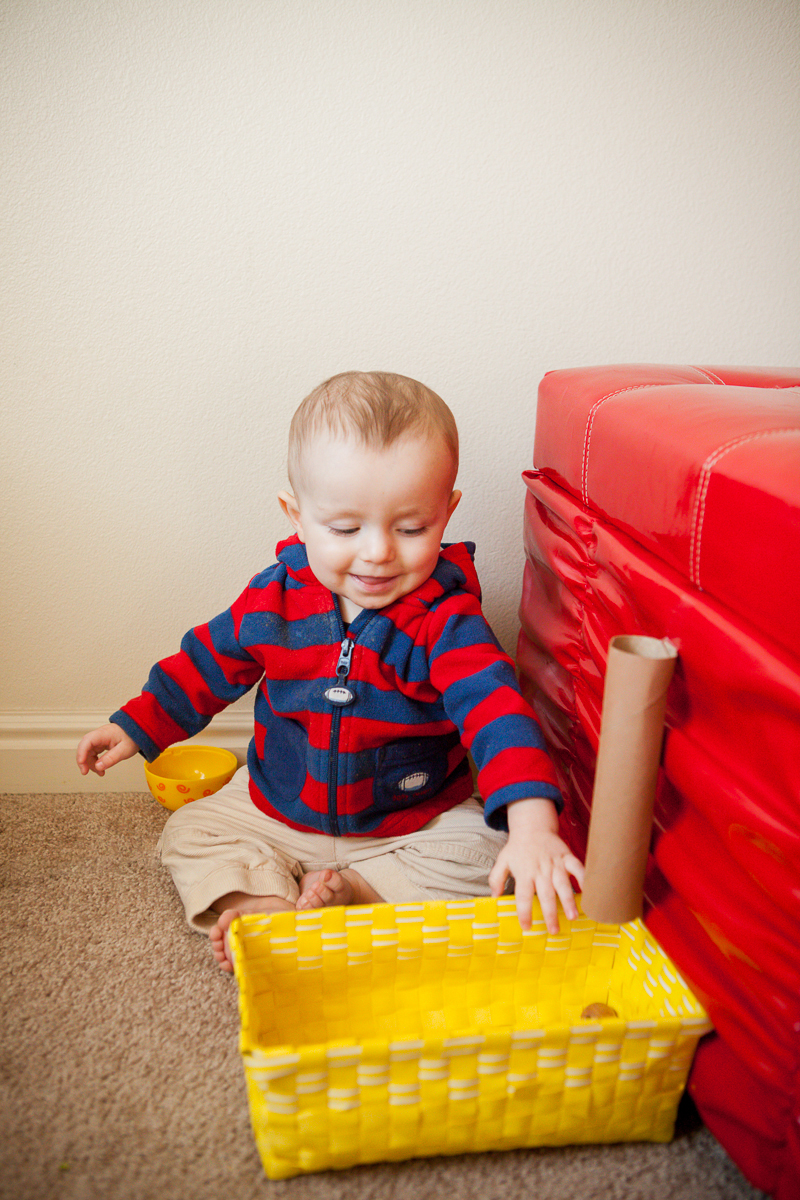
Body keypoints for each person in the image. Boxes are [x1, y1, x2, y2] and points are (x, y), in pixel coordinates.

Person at [77, 371, 584, 972]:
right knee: (190, 831)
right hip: (279, 807)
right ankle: (264, 901)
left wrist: (531, 824)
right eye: (346, 529)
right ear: (297, 515)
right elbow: (204, 666)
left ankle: (361, 895)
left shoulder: (448, 621)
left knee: (485, 857)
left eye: (411, 527)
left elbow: (496, 713)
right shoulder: (273, 602)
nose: (377, 551)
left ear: (446, 514)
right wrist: (136, 726)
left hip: (410, 824)